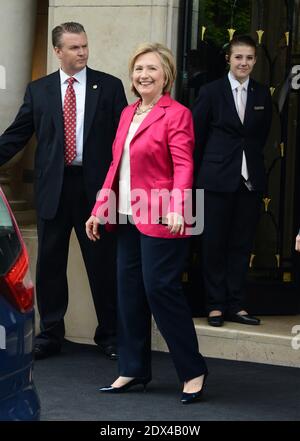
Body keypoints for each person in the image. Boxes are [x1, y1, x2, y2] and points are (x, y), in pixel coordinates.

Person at [86, 43, 208, 404]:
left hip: (161, 216)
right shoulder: (127, 113)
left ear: (166, 75)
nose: (144, 75)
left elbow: (184, 164)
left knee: (160, 291)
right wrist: (99, 208)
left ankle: (192, 369)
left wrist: (177, 206)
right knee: (128, 295)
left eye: (152, 69)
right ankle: (133, 368)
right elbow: (115, 166)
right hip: (125, 215)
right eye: (139, 68)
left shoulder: (177, 113)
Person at [0, 22, 127, 359]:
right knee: (51, 266)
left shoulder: (110, 87)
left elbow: (124, 142)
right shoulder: (38, 90)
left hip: (96, 191)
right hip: (53, 188)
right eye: (74, 47)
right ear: (58, 51)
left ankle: (111, 335)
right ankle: (51, 334)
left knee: (102, 264)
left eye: (84, 46)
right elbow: (17, 134)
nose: (82, 52)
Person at [193, 35, 272, 327]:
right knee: (213, 244)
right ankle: (215, 306)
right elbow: (197, 137)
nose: (244, 63)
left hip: (249, 181)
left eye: (249, 58)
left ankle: (236, 305)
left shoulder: (263, 93)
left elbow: (261, 136)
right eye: (239, 57)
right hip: (215, 180)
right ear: (228, 58)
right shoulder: (210, 91)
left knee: (240, 245)